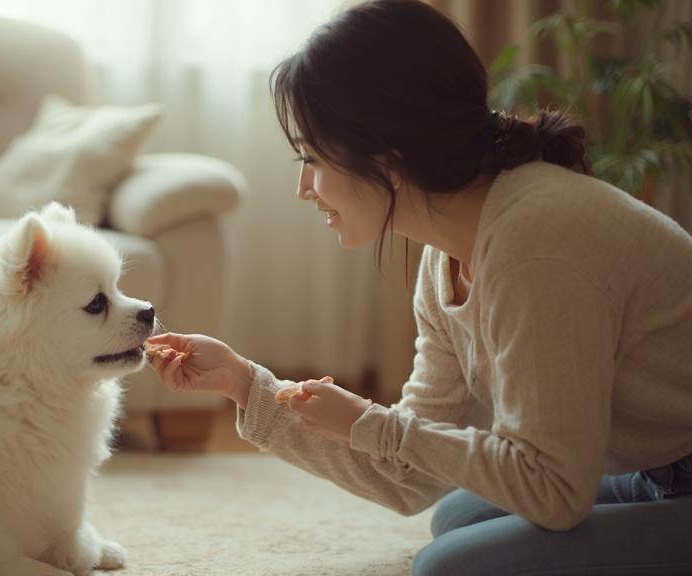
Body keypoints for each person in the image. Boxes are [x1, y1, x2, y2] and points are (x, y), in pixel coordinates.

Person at [145, 0, 692, 574]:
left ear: (389, 152)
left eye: (311, 158)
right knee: (454, 520)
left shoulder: (536, 241)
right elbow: (407, 474)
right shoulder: (446, 261)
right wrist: (241, 381)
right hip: (656, 470)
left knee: (449, 565)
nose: (303, 188)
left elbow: (553, 491)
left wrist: (371, 425)